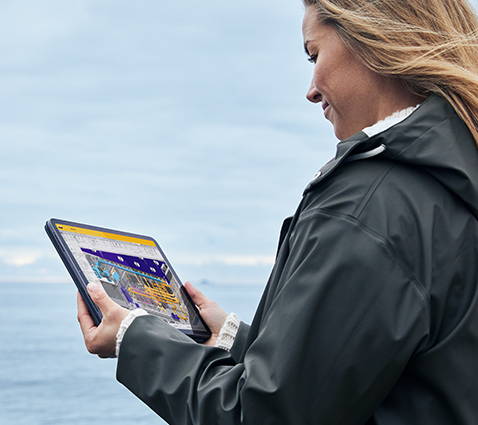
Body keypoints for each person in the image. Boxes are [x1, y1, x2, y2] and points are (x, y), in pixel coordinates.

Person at [77, 0, 478, 423]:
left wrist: (134, 338)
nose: (311, 90)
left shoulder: (369, 208)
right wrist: (232, 340)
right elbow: (367, 377)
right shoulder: (449, 183)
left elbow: (265, 416)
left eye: (315, 54)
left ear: (373, 40)